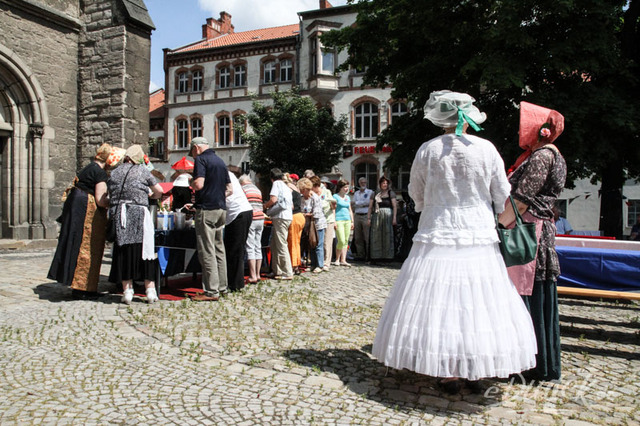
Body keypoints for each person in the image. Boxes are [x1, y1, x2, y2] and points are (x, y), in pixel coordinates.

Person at [373, 91, 537, 394]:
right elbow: (502, 193)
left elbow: (416, 192)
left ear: (441, 119)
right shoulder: (486, 149)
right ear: (468, 116)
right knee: (478, 301)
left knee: (439, 301)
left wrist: (431, 205)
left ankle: (448, 371)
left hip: (438, 230)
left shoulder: (428, 150)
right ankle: (476, 369)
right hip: (477, 232)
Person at [499, 101, 567, 382]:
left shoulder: (542, 157)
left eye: (525, 125)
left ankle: (530, 365)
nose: (520, 130)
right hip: (532, 229)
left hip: (527, 234)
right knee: (534, 297)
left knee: (528, 297)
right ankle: (536, 363)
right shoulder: (540, 155)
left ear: (540, 129)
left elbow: (522, 199)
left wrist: (497, 225)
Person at [48, 144, 121, 300]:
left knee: (77, 244)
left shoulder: (88, 168)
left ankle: (79, 286)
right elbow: (101, 200)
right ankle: (84, 288)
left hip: (77, 208)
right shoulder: (99, 173)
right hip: (87, 211)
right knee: (88, 246)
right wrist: (115, 201)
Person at [108, 145, 164, 304]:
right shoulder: (142, 171)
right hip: (138, 214)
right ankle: (150, 290)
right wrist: (151, 195)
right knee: (144, 250)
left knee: (124, 251)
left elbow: (110, 193)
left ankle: (127, 291)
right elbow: (159, 190)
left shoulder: (115, 172)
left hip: (120, 215)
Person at [189, 137, 232, 301]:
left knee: (207, 250)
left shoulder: (201, 159)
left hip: (206, 209)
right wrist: (217, 196)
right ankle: (222, 287)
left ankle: (211, 291)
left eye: (192, 152)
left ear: (196, 148)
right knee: (219, 249)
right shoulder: (220, 162)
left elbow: (199, 184)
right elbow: (230, 189)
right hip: (221, 209)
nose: (193, 156)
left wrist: (191, 183)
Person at [224, 171, 253, 292]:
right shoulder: (228, 173)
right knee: (236, 249)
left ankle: (235, 284)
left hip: (237, 213)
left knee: (234, 250)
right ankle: (236, 282)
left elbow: (228, 191)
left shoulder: (220, 173)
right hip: (242, 212)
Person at [264, 168, 294, 280]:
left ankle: (287, 271)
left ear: (272, 178)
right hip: (287, 217)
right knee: (275, 244)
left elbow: (273, 199)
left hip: (280, 217)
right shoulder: (287, 187)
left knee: (281, 244)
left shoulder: (276, 184)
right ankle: (277, 270)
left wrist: (265, 206)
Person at [298, 177, 327, 273]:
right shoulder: (302, 198)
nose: (301, 192)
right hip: (308, 225)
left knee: (318, 244)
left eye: (303, 190)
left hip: (317, 224)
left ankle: (320, 265)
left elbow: (317, 213)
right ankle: (313, 264)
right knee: (311, 245)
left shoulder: (315, 197)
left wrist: (306, 214)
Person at [240, 175, 265, 284]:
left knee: (250, 247)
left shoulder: (243, 189)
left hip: (251, 218)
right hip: (261, 218)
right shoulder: (257, 189)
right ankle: (258, 274)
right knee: (257, 246)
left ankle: (252, 275)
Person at [368, 176, 397, 262]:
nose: (385, 184)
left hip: (388, 216)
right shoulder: (375, 193)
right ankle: (376, 256)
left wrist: (394, 218)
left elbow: (395, 206)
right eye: (383, 183)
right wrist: (368, 218)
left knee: (387, 235)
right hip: (377, 215)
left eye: (386, 183)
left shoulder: (391, 193)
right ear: (380, 184)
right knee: (376, 235)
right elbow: (370, 207)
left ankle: (387, 256)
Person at [284, 173, 305, 274]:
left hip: (294, 216)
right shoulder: (296, 188)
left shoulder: (288, 188)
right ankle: (296, 264)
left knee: (292, 243)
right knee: (296, 243)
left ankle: (293, 266)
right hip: (300, 216)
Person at [333, 179, 354, 267]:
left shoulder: (347, 197)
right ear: (340, 187)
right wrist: (334, 221)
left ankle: (343, 259)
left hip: (347, 220)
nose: (346, 189)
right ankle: (337, 259)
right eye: (345, 187)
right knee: (341, 240)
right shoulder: (335, 196)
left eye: (347, 187)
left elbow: (350, 209)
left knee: (346, 240)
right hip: (339, 220)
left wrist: (352, 221)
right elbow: (333, 209)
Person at [352, 177, 374, 261]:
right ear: (359, 183)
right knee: (358, 237)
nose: (363, 184)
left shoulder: (370, 192)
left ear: (366, 183)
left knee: (367, 236)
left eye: (364, 182)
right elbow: (352, 203)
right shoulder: (356, 193)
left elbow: (368, 202)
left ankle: (369, 255)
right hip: (357, 215)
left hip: (366, 215)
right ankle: (360, 254)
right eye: (361, 183)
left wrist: (357, 203)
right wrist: (360, 204)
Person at [317, 176, 336, 271]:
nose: (323, 184)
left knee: (327, 242)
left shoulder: (328, 192)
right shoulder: (316, 192)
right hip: (319, 219)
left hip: (328, 219)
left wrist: (334, 219)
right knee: (319, 241)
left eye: (325, 183)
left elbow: (332, 204)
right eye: (322, 183)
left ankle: (327, 262)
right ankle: (319, 261)